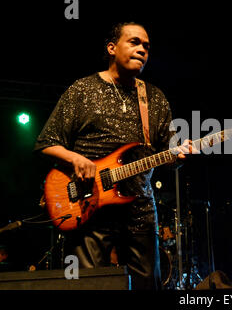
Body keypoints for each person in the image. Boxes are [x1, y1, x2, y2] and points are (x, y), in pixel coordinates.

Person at [34, 22, 195, 289]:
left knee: (147, 285)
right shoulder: (82, 90)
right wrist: (76, 159)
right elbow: (46, 143)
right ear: (111, 48)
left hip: (140, 211)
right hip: (89, 210)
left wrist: (180, 154)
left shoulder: (154, 98)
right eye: (134, 42)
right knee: (90, 286)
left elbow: (170, 154)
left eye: (146, 46)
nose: (142, 49)